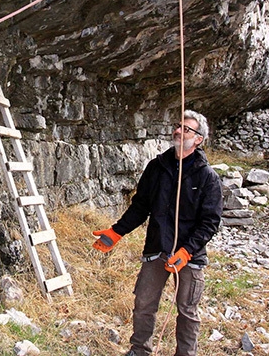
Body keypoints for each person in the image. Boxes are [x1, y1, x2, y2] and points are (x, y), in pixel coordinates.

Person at [92, 110, 223, 356]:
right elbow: (140, 206)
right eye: (177, 126)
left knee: (187, 310)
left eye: (186, 128)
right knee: (143, 303)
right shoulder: (157, 167)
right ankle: (139, 350)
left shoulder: (207, 177)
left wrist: (187, 251)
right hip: (157, 248)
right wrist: (116, 232)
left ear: (198, 139)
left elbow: (210, 222)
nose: (178, 130)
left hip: (189, 255)